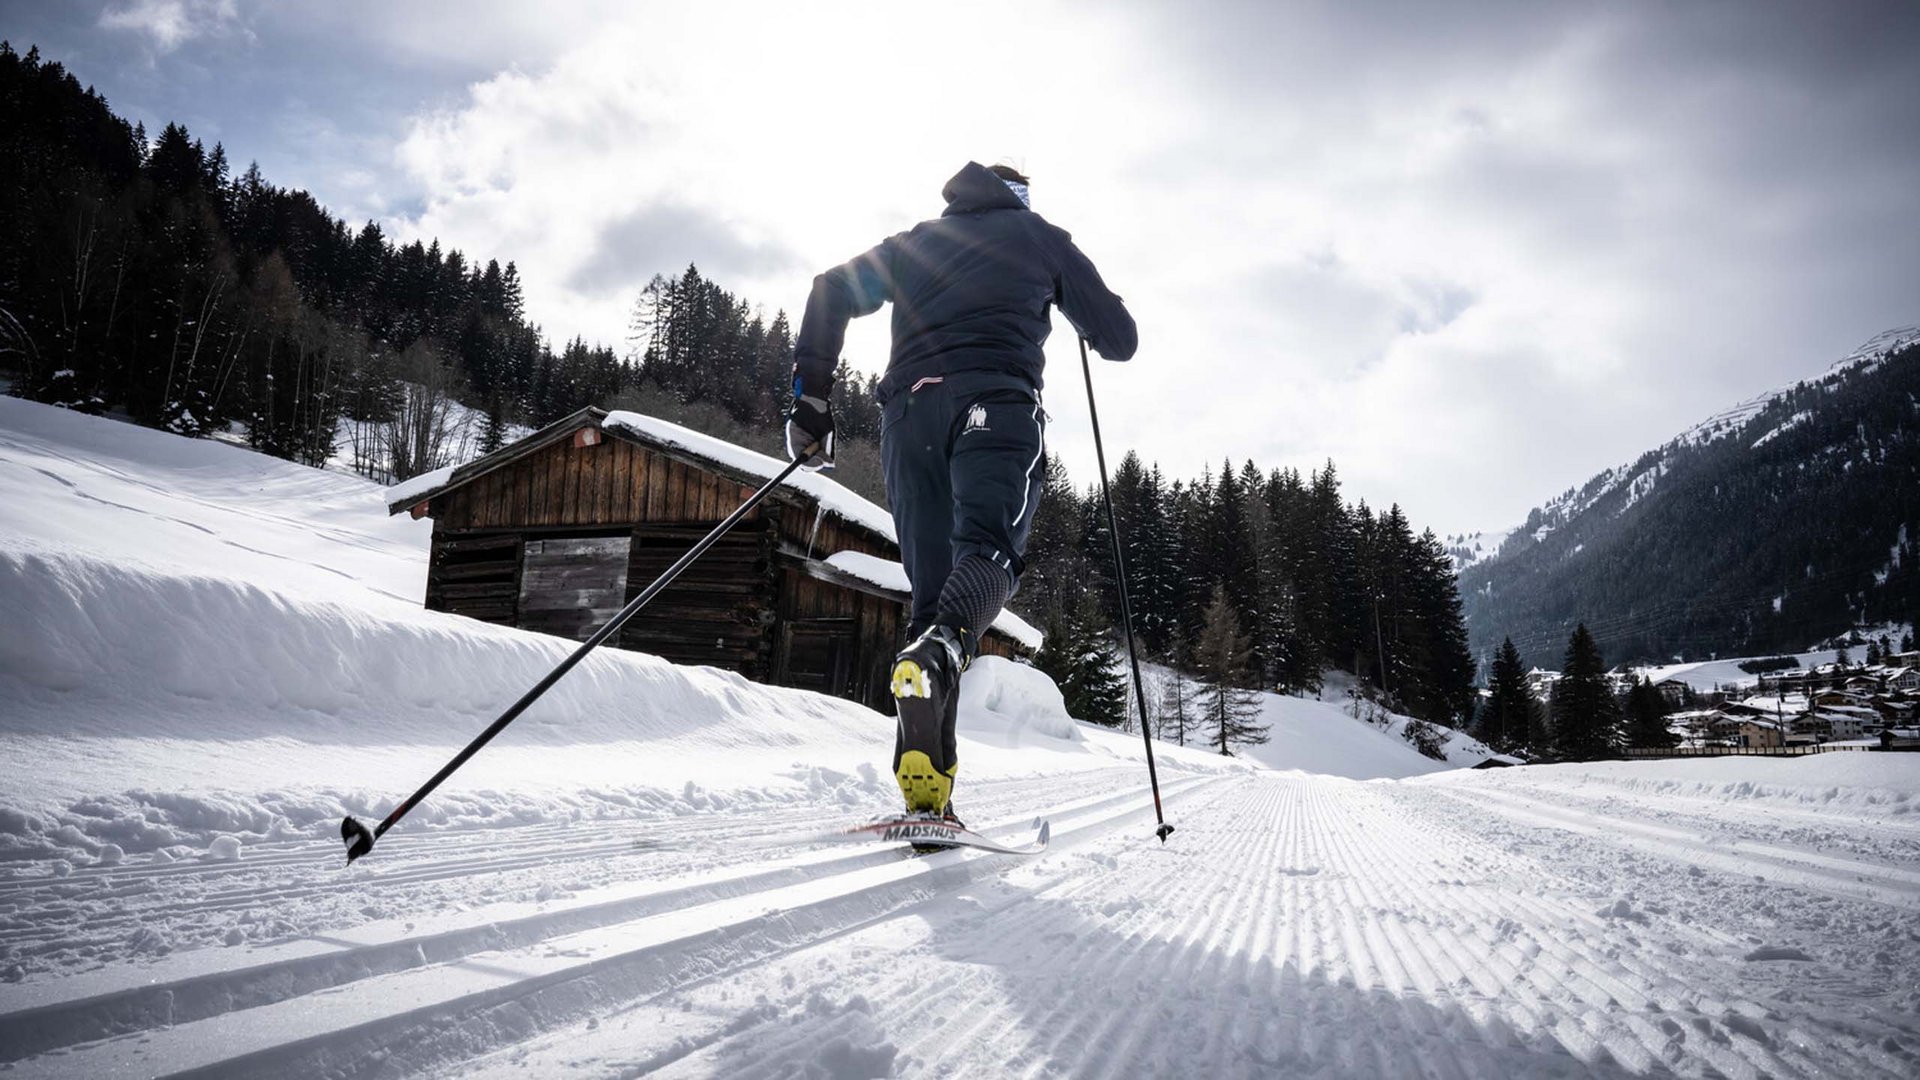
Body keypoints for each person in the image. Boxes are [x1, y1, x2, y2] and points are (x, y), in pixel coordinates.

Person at [786, 161, 1136, 821]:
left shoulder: (914, 242)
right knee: (991, 552)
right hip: (994, 405)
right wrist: (1086, 315)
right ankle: (946, 649)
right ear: (1018, 198)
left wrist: (810, 398)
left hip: (906, 417)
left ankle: (929, 798)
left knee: (932, 606)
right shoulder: (1040, 238)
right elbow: (1120, 341)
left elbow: (831, 287)